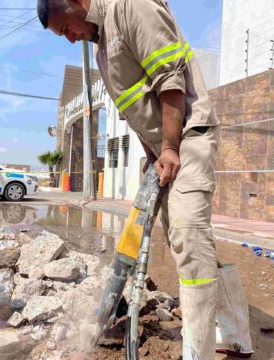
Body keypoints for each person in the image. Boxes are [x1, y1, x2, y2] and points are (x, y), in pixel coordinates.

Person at [37, 0, 254, 358]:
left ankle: (196, 352)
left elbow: (170, 80)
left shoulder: (131, 7)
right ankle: (236, 337)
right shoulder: (103, 47)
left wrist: (170, 147)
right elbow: (135, 109)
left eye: (66, 29)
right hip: (164, 150)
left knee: (187, 234)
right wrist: (154, 155)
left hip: (189, 135)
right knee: (189, 241)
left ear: (77, 2)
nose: (71, 40)